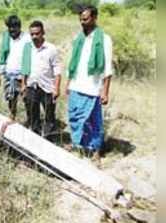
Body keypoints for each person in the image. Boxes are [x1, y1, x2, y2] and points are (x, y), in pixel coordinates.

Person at [65, 5, 113, 162]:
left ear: (94, 18)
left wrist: (105, 91)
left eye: (85, 19)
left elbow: (107, 68)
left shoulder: (104, 39)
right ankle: (78, 144)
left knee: (94, 121)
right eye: (80, 19)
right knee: (75, 118)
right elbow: (73, 63)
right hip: (76, 85)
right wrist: (67, 83)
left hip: (92, 87)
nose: (82, 22)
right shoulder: (78, 38)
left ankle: (96, 151)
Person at [20, 20, 62, 140]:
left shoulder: (51, 49)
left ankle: (49, 140)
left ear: (43, 32)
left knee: (49, 115)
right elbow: (24, 68)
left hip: (47, 87)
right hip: (31, 86)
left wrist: (56, 89)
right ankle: (35, 139)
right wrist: (23, 85)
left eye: (37, 33)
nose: (34, 36)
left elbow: (57, 70)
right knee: (33, 115)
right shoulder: (28, 48)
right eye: (32, 34)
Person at [0, 15, 30, 120]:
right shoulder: (6, 37)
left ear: (19, 27)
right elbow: (3, 56)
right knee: (10, 98)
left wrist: (25, 80)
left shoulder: (27, 38)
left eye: (14, 27)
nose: (11, 29)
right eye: (9, 27)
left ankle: (30, 121)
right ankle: (12, 117)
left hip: (23, 75)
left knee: (27, 100)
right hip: (9, 74)